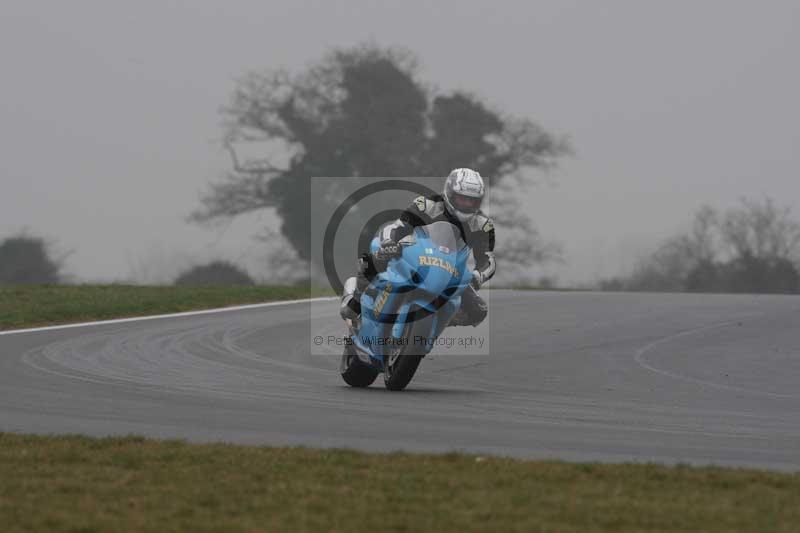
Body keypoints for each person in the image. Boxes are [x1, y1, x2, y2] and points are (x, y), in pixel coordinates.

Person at [340, 168, 495, 327]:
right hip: (413, 256)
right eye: (462, 199)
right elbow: (398, 227)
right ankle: (355, 300)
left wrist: (478, 275)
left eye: (472, 200)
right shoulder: (426, 205)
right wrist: (390, 243)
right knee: (374, 258)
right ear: (450, 193)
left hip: (451, 271)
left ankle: (437, 323)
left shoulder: (483, 225)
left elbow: (487, 259)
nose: (467, 204)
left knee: (479, 311)